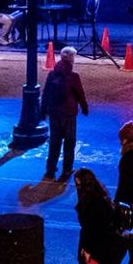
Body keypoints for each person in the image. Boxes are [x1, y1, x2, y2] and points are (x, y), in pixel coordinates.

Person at [73, 168, 128, 264]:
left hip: (102, 248)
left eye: (79, 185)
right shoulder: (102, 198)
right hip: (112, 246)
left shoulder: (93, 205)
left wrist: (88, 251)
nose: (77, 188)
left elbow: (94, 231)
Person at [38, 45, 90, 180]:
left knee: (54, 142)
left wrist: (43, 110)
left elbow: (46, 93)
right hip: (69, 113)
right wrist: (84, 108)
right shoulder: (73, 76)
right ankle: (66, 170)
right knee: (69, 142)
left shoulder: (52, 74)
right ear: (72, 59)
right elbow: (80, 94)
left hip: (54, 112)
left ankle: (50, 169)